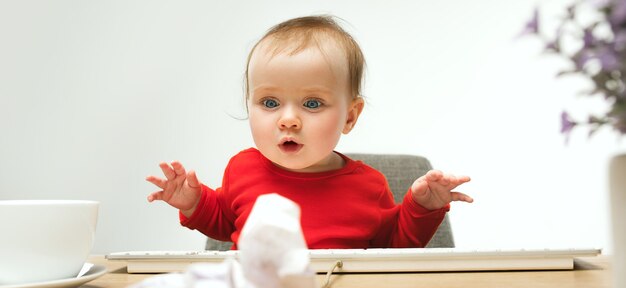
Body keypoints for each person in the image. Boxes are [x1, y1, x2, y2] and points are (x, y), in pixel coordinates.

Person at [146, 15, 473, 249]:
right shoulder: (242, 169)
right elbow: (222, 222)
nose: (288, 120)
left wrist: (422, 208)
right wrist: (192, 202)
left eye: (312, 104)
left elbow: (393, 247)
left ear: (350, 116)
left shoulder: (369, 186)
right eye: (270, 102)